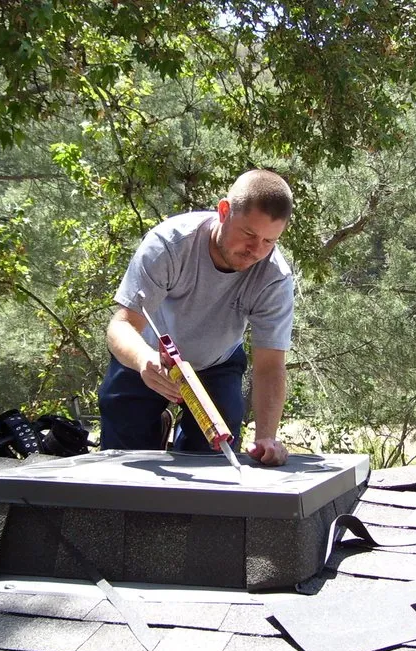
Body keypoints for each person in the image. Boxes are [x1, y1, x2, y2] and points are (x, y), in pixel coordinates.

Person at [98, 169, 294, 466]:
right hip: (149, 357)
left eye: (269, 241)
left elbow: (270, 366)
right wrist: (143, 360)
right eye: (249, 234)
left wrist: (267, 437)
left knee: (213, 461)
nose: (256, 251)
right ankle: (155, 426)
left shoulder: (274, 277)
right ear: (224, 210)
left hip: (217, 363)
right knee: (124, 456)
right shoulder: (170, 244)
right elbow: (121, 326)